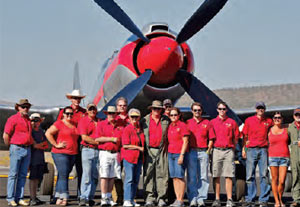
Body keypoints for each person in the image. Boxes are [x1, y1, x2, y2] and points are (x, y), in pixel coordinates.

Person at [46, 106, 79, 206]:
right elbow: (48, 133)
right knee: (64, 175)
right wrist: (56, 144)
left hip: (72, 153)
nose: (69, 115)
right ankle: (64, 197)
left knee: (62, 175)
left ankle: (57, 196)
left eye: (71, 114)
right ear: (63, 114)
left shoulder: (74, 124)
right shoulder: (59, 124)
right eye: (67, 113)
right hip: (60, 153)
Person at [57, 89, 86, 200]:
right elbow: (58, 125)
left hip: (79, 144)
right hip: (67, 143)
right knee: (63, 171)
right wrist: (57, 143)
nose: (76, 100)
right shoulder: (64, 111)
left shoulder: (84, 112)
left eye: (78, 98)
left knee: (81, 170)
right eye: (75, 98)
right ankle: (59, 194)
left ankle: (80, 195)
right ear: (71, 99)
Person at [3, 99, 34, 206]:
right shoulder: (12, 119)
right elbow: (6, 135)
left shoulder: (28, 120)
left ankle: (19, 197)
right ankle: (10, 198)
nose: (25, 108)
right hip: (16, 147)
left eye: (27, 107)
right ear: (18, 107)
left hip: (27, 148)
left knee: (22, 174)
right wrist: (12, 146)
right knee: (13, 174)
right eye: (23, 106)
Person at [242, 102, 272, 207]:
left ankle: (263, 199)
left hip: (263, 150)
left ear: (264, 109)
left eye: (262, 108)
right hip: (251, 150)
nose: (260, 110)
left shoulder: (269, 121)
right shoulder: (249, 120)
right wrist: (244, 149)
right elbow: (245, 136)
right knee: (250, 175)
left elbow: (276, 129)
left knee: (264, 175)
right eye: (258, 108)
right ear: (256, 109)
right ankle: (250, 198)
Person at [209, 101, 240, 207]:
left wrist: (232, 147)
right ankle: (217, 199)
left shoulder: (232, 122)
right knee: (216, 175)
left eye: (224, 109)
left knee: (229, 175)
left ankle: (229, 199)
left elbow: (236, 137)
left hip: (228, 151)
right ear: (217, 110)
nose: (222, 111)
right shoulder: (212, 122)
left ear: (226, 110)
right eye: (220, 109)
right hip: (217, 150)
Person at [141, 100, 170, 207]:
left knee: (162, 174)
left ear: (161, 110)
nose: (156, 110)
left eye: (158, 109)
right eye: (154, 108)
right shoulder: (144, 120)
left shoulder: (166, 120)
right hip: (149, 150)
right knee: (148, 174)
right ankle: (149, 198)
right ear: (151, 109)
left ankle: (162, 198)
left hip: (162, 150)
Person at [95, 106, 122, 206]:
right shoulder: (101, 124)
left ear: (116, 114)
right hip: (105, 152)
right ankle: (103, 198)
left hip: (115, 153)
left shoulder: (119, 126)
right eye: (109, 113)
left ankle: (109, 196)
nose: (111, 115)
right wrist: (111, 139)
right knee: (104, 176)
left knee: (112, 177)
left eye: (113, 113)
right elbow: (97, 139)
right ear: (107, 114)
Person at [186, 102, 212, 207]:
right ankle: (192, 198)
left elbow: (211, 138)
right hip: (191, 151)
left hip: (203, 151)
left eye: (199, 110)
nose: (197, 112)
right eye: (195, 110)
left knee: (204, 176)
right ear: (192, 111)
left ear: (201, 111)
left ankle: (201, 198)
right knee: (192, 177)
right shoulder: (187, 123)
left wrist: (208, 151)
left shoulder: (207, 123)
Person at [78, 103, 100, 206]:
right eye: (90, 109)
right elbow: (84, 137)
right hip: (87, 150)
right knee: (87, 174)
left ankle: (90, 197)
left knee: (95, 175)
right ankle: (83, 197)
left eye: (94, 109)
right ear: (87, 110)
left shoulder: (99, 121)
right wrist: (97, 142)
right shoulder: (83, 121)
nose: (92, 111)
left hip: (98, 151)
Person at [121, 108, 145, 207]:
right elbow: (125, 145)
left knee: (136, 180)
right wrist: (138, 147)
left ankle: (132, 199)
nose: (134, 118)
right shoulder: (127, 129)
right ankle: (126, 199)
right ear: (129, 118)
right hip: (129, 157)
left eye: (136, 116)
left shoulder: (140, 129)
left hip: (138, 158)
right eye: (132, 117)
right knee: (129, 179)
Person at [167, 107, 189, 207]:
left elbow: (186, 141)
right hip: (170, 153)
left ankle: (181, 199)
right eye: (171, 115)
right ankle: (177, 199)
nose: (173, 117)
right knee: (174, 177)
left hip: (178, 154)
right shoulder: (170, 126)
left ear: (179, 115)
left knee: (180, 177)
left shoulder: (183, 125)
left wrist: (182, 155)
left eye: (175, 115)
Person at [268, 112, 290, 207]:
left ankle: (281, 198)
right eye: (275, 118)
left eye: (279, 118)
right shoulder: (269, 130)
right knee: (274, 179)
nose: (277, 119)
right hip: (273, 157)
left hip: (284, 157)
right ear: (273, 119)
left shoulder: (286, 129)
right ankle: (277, 201)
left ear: (282, 119)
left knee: (282, 181)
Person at [29, 113, 48, 206]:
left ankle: (35, 196)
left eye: (37, 120)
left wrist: (39, 145)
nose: (36, 123)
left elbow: (46, 145)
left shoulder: (41, 132)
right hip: (33, 159)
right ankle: (32, 197)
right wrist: (39, 145)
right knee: (33, 179)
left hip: (40, 158)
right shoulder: (30, 132)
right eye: (33, 120)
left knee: (37, 179)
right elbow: (35, 145)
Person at [112, 97, 129, 204]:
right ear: (116, 106)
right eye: (120, 105)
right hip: (116, 151)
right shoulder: (113, 118)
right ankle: (117, 197)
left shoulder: (131, 118)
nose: (122, 107)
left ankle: (129, 197)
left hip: (127, 151)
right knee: (115, 175)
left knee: (129, 175)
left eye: (124, 105)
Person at [288, 107, 300, 207]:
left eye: (299, 115)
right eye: (296, 115)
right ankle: (296, 199)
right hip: (295, 155)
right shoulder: (290, 127)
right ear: (293, 116)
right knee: (295, 176)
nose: (298, 117)